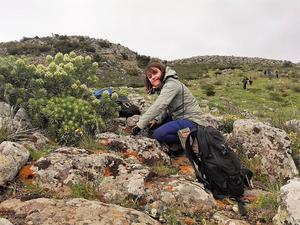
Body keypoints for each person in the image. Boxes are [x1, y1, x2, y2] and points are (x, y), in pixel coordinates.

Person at [132, 61, 209, 145]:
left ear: (162, 71)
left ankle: (192, 139)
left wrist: (139, 125)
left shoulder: (172, 84)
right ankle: (184, 137)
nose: (153, 77)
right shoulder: (164, 86)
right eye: (150, 77)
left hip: (192, 120)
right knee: (152, 129)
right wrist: (157, 119)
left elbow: (159, 105)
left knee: (158, 134)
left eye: (155, 73)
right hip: (179, 118)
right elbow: (166, 108)